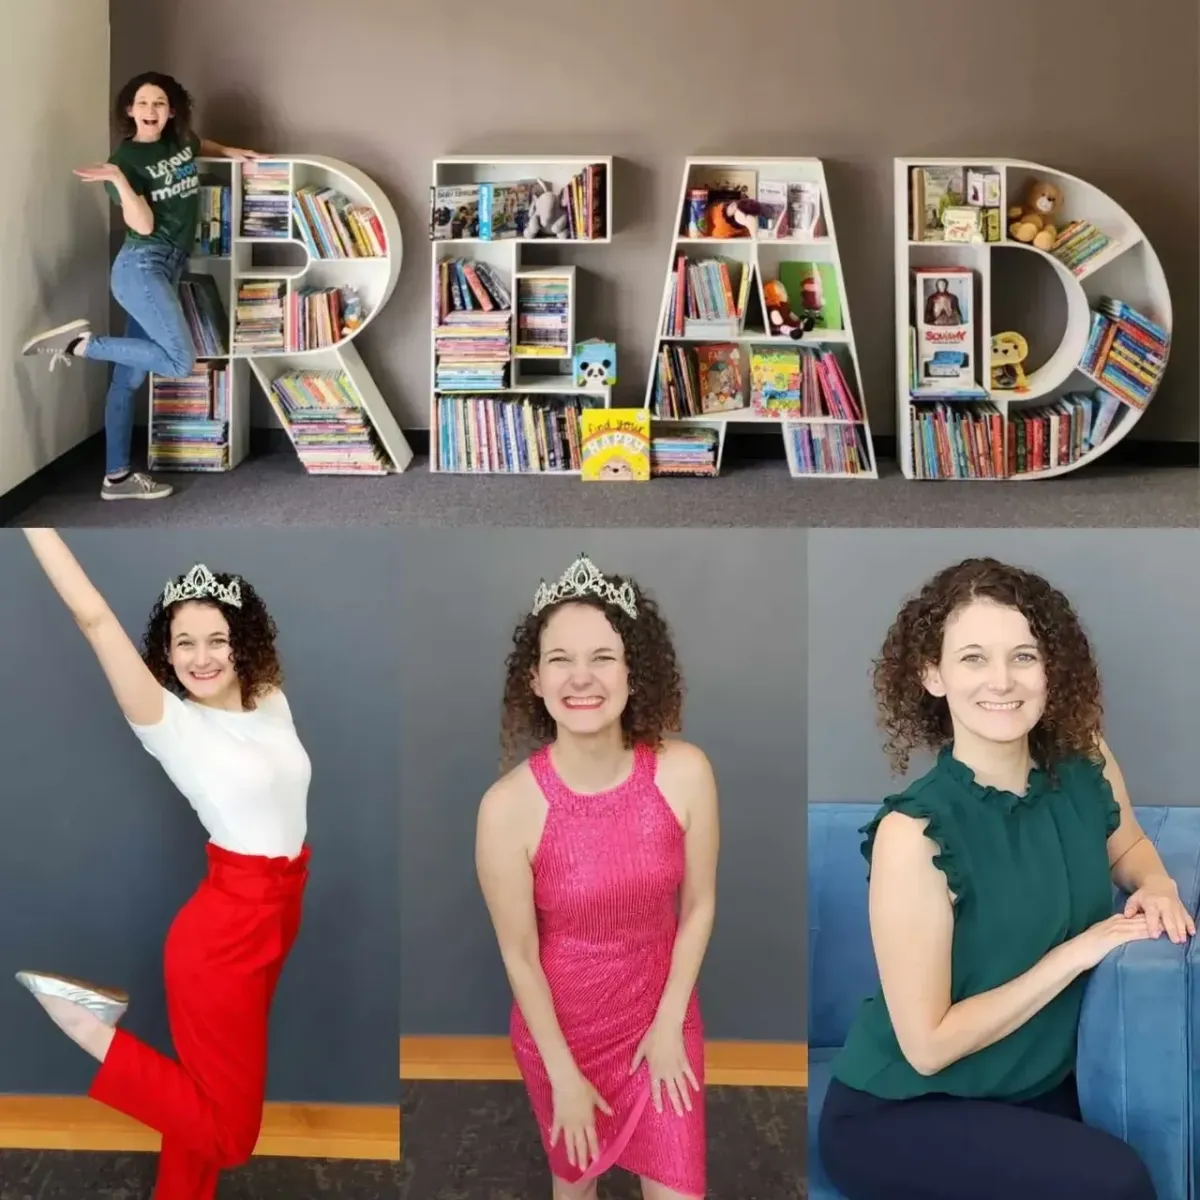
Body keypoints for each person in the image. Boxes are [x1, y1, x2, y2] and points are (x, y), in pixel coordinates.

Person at [817, 556, 1193, 1200]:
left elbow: (1126, 842)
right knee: (1118, 1184)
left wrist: (1155, 884)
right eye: (972, 659)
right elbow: (928, 1047)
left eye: (1023, 656)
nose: (1002, 681)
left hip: (1036, 1090)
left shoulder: (1085, 761)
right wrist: (1080, 951)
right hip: (907, 1109)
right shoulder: (914, 832)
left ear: (1052, 668)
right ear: (931, 675)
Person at [15, 529, 311, 1200]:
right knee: (232, 1136)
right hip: (224, 936)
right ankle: (84, 1024)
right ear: (165, 654)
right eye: (184, 643)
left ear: (244, 641)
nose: (202, 657)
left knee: (198, 1106)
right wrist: (27, 515)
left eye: (216, 639)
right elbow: (92, 617)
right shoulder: (166, 720)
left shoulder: (269, 699)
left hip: (278, 913)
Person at [475, 554, 719, 1200]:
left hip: (660, 1015)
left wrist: (669, 1024)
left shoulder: (687, 772)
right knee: (575, 1188)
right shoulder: (507, 808)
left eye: (603, 657)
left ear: (634, 672)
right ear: (534, 678)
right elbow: (519, 954)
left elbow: (698, 906)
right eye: (560, 659)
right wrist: (562, 1072)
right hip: (563, 1034)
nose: (581, 677)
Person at [21, 72, 262, 502]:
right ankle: (80, 344)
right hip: (142, 268)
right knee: (179, 361)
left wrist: (229, 151)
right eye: (143, 103)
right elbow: (145, 225)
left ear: (171, 111)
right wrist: (118, 181)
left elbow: (198, 146)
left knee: (128, 381)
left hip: (165, 269)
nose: (151, 110)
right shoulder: (126, 161)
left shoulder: (180, 141)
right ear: (130, 110)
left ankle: (116, 478)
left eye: (160, 103)